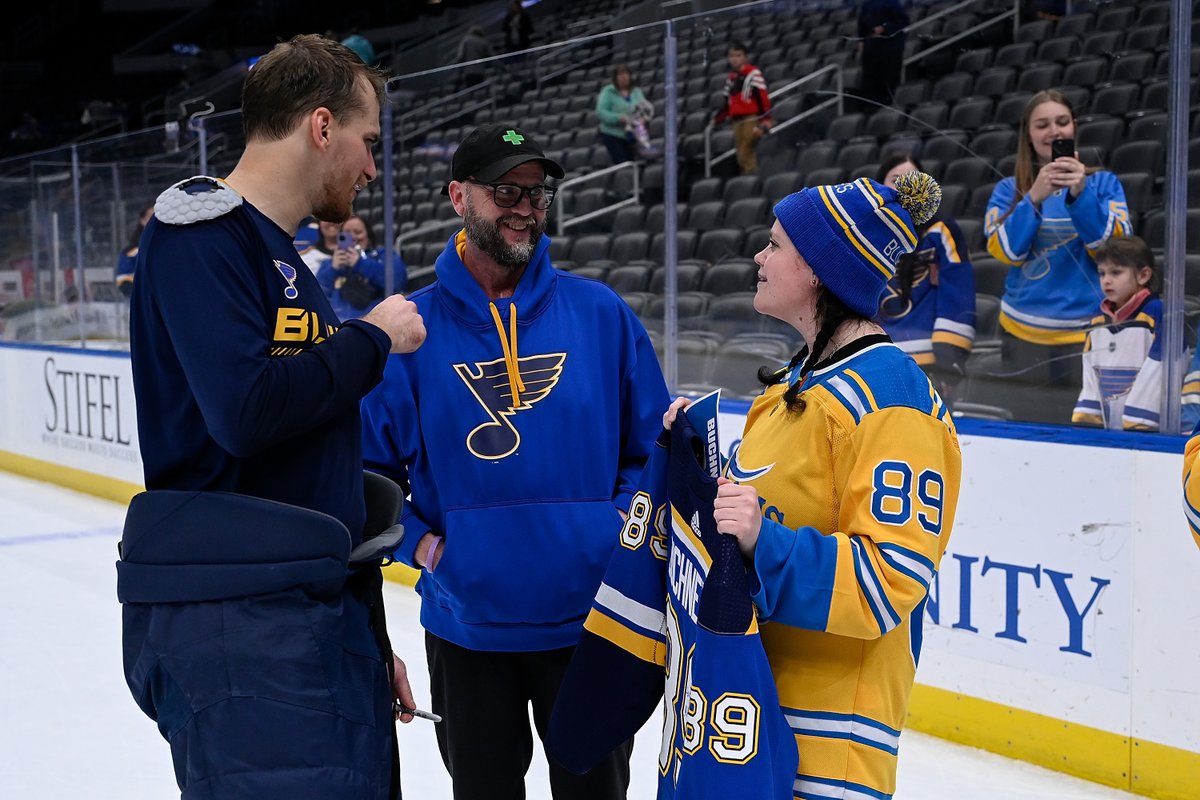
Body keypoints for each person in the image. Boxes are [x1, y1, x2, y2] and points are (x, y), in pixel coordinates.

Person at [115, 34, 428, 800]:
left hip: (302, 615)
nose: (371, 167)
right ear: (321, 128)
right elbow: (245, 413)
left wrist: (364, 640)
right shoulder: (200, 236)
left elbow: (300, 458)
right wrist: (371, 339)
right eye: (367, 142)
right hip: (242, 628)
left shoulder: (279, 257)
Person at [360, 122, 670, 800]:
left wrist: (611, 531)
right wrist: (428, 549)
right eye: (506, 190)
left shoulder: (601, 315)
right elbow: (368, 475)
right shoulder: (408, 328)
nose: (526, 207)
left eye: (538, 192)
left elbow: (653, 454)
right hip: (467, 631)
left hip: (591, 627)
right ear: (457, 197)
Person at [663, 172, 961, 800]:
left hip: (827, 754)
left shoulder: (892, 401)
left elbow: (888, 584)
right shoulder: (789, 389)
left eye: (775, 245)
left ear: (821, 268)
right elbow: (746, 524)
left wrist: (762, 542)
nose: (758, 256)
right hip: (745, 724)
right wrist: (692, 462)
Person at [984, 88, 1131, 423]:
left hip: (1088, 335)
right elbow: (1006, 251)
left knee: (1083, 437)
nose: (1054, 131)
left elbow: (1112, 252)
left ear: (1074, 127)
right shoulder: (1009, 189)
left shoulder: (1104, 184)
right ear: (1029, 135)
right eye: (1042, 124)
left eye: (1062, 122)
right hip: (1022, 335)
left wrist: (1080, 193)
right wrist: (1034, 197)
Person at [876, 154, 975, 407]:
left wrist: (948, 361)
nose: (902, 188)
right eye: (895, 179)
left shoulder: (942, 230)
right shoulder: (866, 234)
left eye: (911, 180)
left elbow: (957, 295)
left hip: (927, 363)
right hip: (874, 360)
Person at [1072, 236, 1170, 431]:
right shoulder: (1096, 321)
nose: (1106, 280)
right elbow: (1090, 375)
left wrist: (1138, 422)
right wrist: (1089, 421)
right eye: (1102, 273)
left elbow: (1163, 369)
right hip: (1110, 432)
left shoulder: (1158, 314)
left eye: (1116, 272)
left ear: (1143, 275)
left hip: (1152, 433)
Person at [317, 214, 405, 321]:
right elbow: (318, 294)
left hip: (377, 319)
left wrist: (360, 264)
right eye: (347, 233)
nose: (353, 237)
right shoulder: (331, 263)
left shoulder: (383, 255)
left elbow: (397, 282)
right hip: (339, 322)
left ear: (368, 236)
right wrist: (333, 268)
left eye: (357, 232)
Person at [712, 41, 772, 175]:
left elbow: (763, 98)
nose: (734, 59)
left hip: (751, 118)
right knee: (741, 156)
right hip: (736, 121)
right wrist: (716, 119)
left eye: (738, 55)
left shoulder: (753, 73)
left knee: (746, 153)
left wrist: (765, 119)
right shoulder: (731, 77)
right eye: (731, 56)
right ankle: (749, 181)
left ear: (745, 57)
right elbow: (727, 102)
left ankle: (752, 182)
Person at [595, 64, 654, 165]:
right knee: (624, 164)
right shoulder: (608, 92)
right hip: (613, 135)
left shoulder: (636, 91)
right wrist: (618, 117)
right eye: (621, 75)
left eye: (626, 74)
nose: (624, 77)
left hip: (634, 133)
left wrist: (644, 119)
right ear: (615, 78)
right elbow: (601, 112)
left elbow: (644, 108)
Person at [857, 0, 909, 108]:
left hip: (890, 49)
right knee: (869, 83)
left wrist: (885, 28)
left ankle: (888, 108)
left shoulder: (891, 3)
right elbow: (861, 27)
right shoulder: (866, 5)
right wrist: (862, 43)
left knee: (888, 82)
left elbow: (903, 21)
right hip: (871, 49)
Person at [114, 204, 154, 299]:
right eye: (151, 216)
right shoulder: (133, 251)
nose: (155, 220)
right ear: (143, 220)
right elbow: (123, 281)